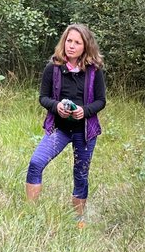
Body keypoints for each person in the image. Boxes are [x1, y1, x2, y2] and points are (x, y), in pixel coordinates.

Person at [26, 24, 106, 224]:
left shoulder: (94, 71)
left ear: (86, 46)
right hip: (59, 129)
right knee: (36, 163)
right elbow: (43, 97)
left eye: (77, 42)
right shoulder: (53, 68)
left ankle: (78, 219)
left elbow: (100, 101)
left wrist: (84, 111)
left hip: (85, 131)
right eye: (69, 41)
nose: (71, 46)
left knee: (80, 174)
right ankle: (30, 214)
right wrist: (56, 106)